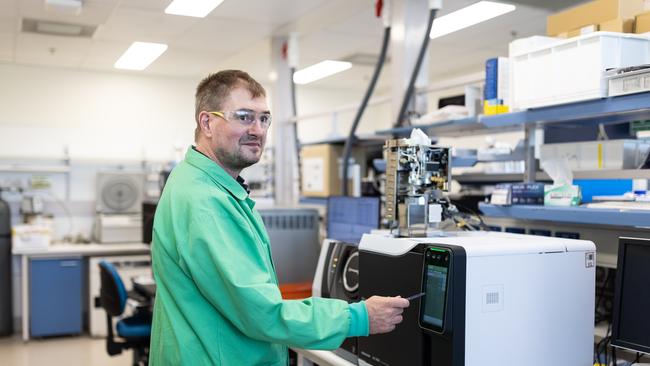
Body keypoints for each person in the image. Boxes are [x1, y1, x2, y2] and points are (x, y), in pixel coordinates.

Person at [150, 69, 409, 365]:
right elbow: (262, 314)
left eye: (264, 119)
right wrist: (359, 317)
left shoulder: (195, 180)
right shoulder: (205, 202)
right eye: (244, 116)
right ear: (207, 122)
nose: (258, 130)